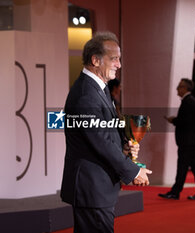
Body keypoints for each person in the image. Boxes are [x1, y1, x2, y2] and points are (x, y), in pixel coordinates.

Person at [60, 31, 152, 233]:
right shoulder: (86, 94)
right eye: (114, 59)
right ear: (95, 60)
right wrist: (133, 170)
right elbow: (100, 141)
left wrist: (125, 147)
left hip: (97, 188)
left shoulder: (97, 89)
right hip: (91, 187)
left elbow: (104, 131)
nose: (119, 65)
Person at [159, 78, 195, 200]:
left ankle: (177, 192)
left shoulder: (188, 101)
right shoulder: (190, 101)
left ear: (186, 88)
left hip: (187, 141)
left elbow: (185, 122)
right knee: (193, 168)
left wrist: (173, 120)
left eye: (180, 86)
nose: (177, 89)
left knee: (184, 167)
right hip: (190, 141)